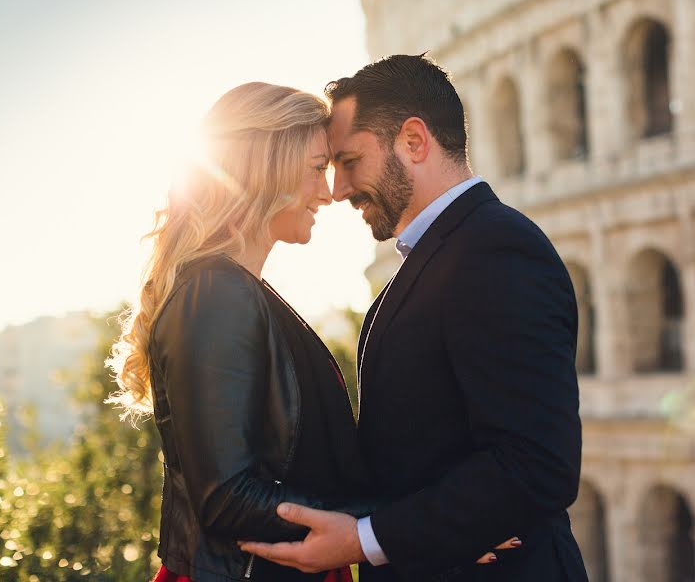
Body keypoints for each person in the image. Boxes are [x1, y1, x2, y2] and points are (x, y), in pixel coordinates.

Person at [241, 55, 587, 580]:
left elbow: (537, 464)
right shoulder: (446, 254)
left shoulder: (495, 251)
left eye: (350, 160)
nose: (337, 189)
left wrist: (365, 540)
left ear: (414, 141)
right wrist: (438, 535)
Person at [107, 82, 375, 582]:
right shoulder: (216, 293)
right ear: (268, 166)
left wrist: (421, 523)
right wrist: (380, 527)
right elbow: (226, 497)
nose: (329, 192)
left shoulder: (236, 291)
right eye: (319, 168)